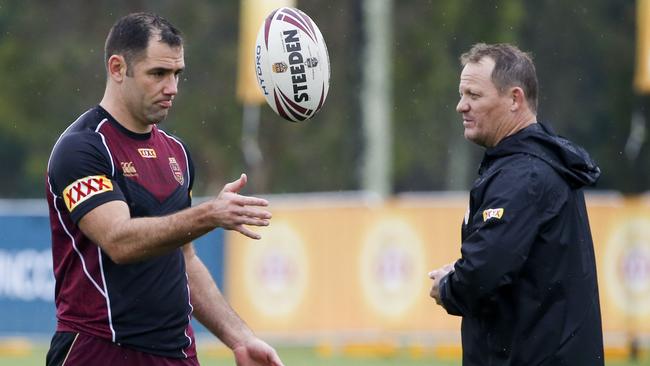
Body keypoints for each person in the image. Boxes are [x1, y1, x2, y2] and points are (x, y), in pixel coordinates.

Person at [45, 12, 283, 366]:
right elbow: (119, 241)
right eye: (157, 73)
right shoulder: (82, 149)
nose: (171, 87)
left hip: (177, 354)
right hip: (100, 351)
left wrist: (241, 339)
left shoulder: (178, 154)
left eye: (176, 74)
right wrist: (209, 214)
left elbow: (185, 260)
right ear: (117, 68)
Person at [428, 43, 604, 365]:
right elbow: (508, 262)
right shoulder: (526, 165)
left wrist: (449, 285)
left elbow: (483, 275)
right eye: (461, 94)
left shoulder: (526, 176)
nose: (460, 106)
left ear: (514, 99)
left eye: (474, 95)